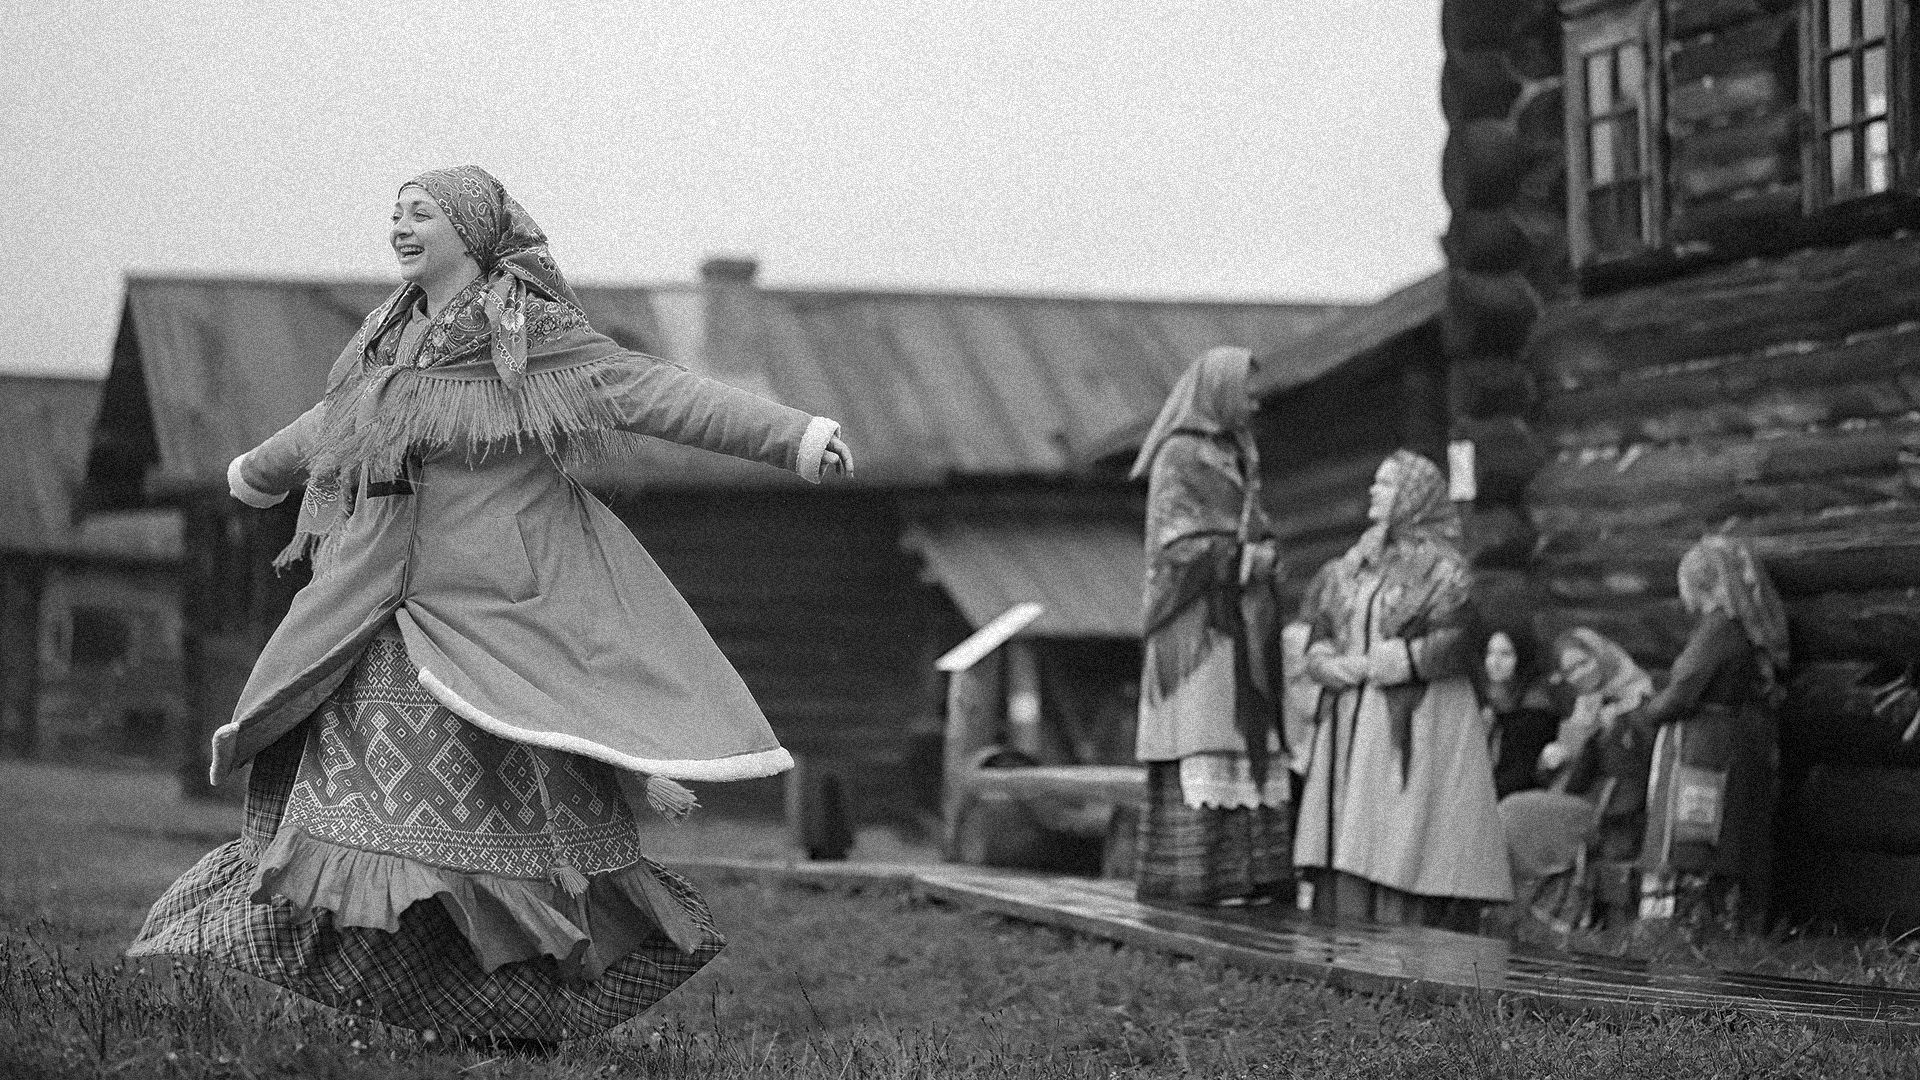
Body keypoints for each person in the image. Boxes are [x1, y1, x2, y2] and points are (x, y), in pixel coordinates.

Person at [128, 166, 853, 1048]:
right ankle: (374, 985)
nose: (399, 226)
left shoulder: (534, 344)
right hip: (373, 607)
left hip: (499, 616)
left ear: (471, 234)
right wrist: (258, 470)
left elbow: (657, 392)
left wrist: (799, 438)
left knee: (496, 828)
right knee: (357, 811)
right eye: (394, 211)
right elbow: (334, 424)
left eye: (421, 214)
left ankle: (507, 1017)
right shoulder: (383, 344)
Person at [1293, 450, 1511, 928]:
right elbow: (1325, 620)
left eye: (1386, 485)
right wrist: (1323, 657)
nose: (1374, 492)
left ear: (1413, 497)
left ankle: (1406, 934)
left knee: (1402, 829)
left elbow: (1459, 640)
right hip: (1353, 713)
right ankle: (1344, 930)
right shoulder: (1356, 562)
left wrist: (1402, 661)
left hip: (1418, 712)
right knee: (1351, 829)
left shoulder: (1444, 568)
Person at [1129, 346, 1289, 907]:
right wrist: (1241, 558)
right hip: (1194, 626)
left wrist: (1265, 553)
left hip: (1243, 621)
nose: (1255, 400)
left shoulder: (1240, 451)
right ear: (1219, 390)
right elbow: (1176, 545)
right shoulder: (1180, 455)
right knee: (1204, 740)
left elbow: (1254, 524)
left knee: (1245, 741)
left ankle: (1251, 879)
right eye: (1246, 389)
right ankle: (1195, 878)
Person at [1636, 535, 1789, 929]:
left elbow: (1685, 689)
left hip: (1705, 746)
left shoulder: (1720, 629)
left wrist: (1647, 708)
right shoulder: (1741, 629)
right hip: (1732, 741)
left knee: (1696, 831)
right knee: (1720, 829)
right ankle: (1726, 919)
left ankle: (1690, 921)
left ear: (1696, 583)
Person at [1498, 628, 1655, 930]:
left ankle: (1523, 914)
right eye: (1569, 670)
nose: (1579, 674)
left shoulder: (1635, 699)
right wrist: (1549, 760)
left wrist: (1603, 733)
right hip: (1577, 797)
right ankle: (1513, 913)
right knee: (1513, 811)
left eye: (1584, 662)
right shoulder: (1585, 705)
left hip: (1611, 812)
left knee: (1513, 811)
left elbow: (1629, 769)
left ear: (1602, 655)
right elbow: (1563, 776)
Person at [1477, 629, 1559, 800]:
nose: (1495, 662)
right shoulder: (1490, 702)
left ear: (1523, 658)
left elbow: (1520, 775)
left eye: (1506, 654)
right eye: (1490, 653)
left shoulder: (1535, 710)